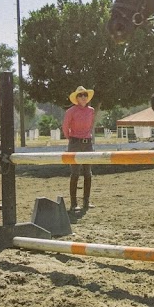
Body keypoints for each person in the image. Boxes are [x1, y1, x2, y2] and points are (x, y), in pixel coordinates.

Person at [62, 85, 96, 214]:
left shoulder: (91, 110)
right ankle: (74, 204)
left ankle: (86, 202)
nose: (83, 97)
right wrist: (71, 138)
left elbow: (90, 125)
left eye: (85, 95)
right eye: (80, 95)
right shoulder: (71, 111)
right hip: (75, 142)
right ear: (76, 98)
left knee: (88, 173)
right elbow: (65, 127)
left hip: (87, 143)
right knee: (75, 173)